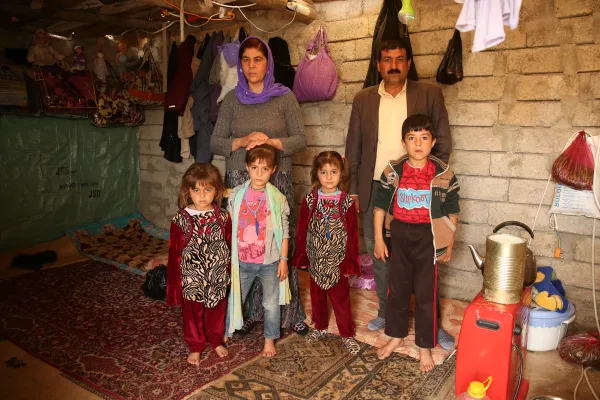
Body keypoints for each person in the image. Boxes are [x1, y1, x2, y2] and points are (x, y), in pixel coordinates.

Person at [344, 38, 455, 350]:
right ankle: (385, 311)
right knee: (381, 254)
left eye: (400, 59)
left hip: (417, 188)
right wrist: (351, 192)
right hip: (377, 188)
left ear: (408, 63)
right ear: (378, 65)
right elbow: (353, 148)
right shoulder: (363, 99)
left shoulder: (429, 93)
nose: (393, 65)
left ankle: (429, 324)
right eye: (387, 59)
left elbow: (443, 142)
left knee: (426, 260)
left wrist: (430, 179)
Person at [211, 36, 308, 336]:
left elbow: (301, 139)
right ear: (240, 65)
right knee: (246, 248)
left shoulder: (285, 97)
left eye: (258, 59)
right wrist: (241, 141)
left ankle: (289, 315)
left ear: (268, 63)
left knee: (277, 247)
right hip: (241, 181)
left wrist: (271, 141)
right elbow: (216, 141)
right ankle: (247, 314)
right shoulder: (231, 99)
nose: (252, 66)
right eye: (246, 60)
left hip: (275, 179)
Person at [372, 115, 460, 371]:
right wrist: (379, 238)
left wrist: (449, 243)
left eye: (424, 138)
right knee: (397, 289)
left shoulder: (444, 174)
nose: (418, 143)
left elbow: (453, 212)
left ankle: (424, 346)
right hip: (399, 235)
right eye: (412, 138)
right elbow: (379, 206)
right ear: (404, 142)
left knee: (425, 293)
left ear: (432, 142)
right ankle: (396, 336)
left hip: (428, 238)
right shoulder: (392, 171)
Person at [225, 144, 291, 357]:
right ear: (247, 167)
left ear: (273, 170)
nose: (259, 173)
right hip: (242, 261)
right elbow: (228, 225)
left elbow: (285, 232)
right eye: (255, 168)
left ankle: (269, 339)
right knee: (236, 296)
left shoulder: (278, 198)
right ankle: (226, 330)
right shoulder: (237, 195)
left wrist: (283, 259)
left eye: (265, 169)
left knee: (271, 303)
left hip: (269, 262)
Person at [293, 151, 362, 354]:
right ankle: (320, 326)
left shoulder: (346, 202)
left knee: (340, 299)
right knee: (317, 296)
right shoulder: (310, 200)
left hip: (337, 260)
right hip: (316, 259)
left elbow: (352, 234)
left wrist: (349, 261)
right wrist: (302, 255)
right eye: (324, 172)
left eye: (334, 171)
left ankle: (347, 333)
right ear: (317, 174)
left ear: (342, 174)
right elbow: (302, 229)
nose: (329, 177)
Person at [166, 163, 231, 365]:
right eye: (197, 190)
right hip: (191, 276)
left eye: (208, 190)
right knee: (193, 312)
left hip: (217, 275)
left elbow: (228, 245)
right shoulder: (181, 218)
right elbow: (174, 252)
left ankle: (215, 339)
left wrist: (228, 273)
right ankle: (195, 344)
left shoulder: (222, 216)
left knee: (216, 309)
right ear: (188, 191)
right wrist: (175, 284)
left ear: (217, 191)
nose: (202, 195)